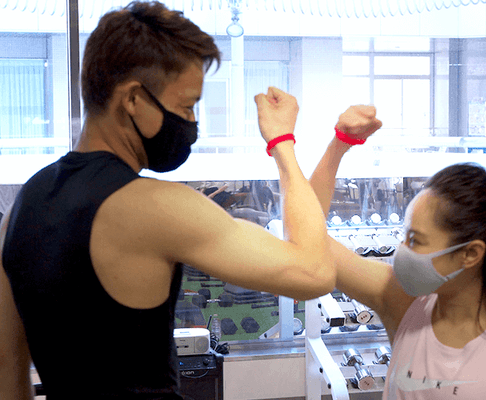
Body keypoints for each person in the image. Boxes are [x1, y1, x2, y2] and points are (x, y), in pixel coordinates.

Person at [0, 2, 336, 399]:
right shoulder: (154, 206)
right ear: (133, 100)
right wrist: (282, 142)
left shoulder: (23, 206)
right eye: (186, 107)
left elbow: (8, 369)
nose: (192, 123)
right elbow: (315, 272)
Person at [311, 107, 486, 399]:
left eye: (416, 241)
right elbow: (309, 239)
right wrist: (339, 145)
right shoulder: (399, 301)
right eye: (404, 237)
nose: (402, 252)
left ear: (470, 254)